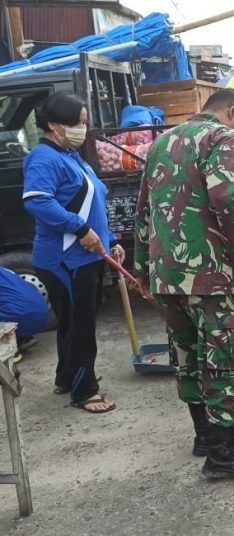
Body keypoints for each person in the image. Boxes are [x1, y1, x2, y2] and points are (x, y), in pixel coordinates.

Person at [134, 88, 234, 479]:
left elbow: (143, 209)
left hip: (167, 277)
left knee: (190, 357)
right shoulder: (222, 137)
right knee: (229, 358)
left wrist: (143, 267)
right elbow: (228, 198)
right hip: (209, 276)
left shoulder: (161, 142)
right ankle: (224, 456)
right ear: (232, 112)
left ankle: (204, 438)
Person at [22, 92, 121, 414]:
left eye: (84, 123)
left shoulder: (70, 155)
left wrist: (112, 239)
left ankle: (68, 376)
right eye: (77, 123)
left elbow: (92, 205)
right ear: (53, 125)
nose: (82, 129)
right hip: (64, 259)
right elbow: (37, 200)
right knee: (79, 326)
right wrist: (80, 230)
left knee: (72, 321)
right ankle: (85, 390)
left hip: (88, 255)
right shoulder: (44, 157)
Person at [0, 267, 48, 363]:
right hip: (42, 312)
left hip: (22, 316)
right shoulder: (3, 270)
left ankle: (8, 351)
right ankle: (23, 338)